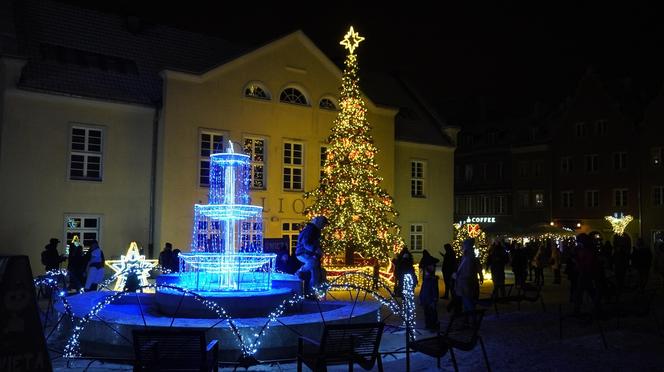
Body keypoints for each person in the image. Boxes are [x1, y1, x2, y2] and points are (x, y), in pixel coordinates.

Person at [295, 216, 328, 291]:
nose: (323, 226)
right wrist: (316, 250)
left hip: (308, 253)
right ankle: (299, 272)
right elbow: (305, 242)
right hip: (303, 252)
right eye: (323, 224)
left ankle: (312, 291)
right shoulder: (311, 229)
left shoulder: (315, 230)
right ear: (318, 222)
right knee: (313, 263)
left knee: (315, 272)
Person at [455, 238, 483, 312]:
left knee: (468, 302)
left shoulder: (467, 258)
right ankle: (469, 317)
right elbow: (478, 268)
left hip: (466, 284)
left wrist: (457, 276)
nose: (462, 247)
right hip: (469, 283)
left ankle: (470, 318)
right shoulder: (470, 256)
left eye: (463, 245)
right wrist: (481, 276)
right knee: (468, 302)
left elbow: (466, 271)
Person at [418, 251, 440, 330]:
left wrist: (434, 299)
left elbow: (434, 290)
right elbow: (423, 289)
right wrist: (421, 297)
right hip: (426, 300)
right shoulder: (427, 279)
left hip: (430, 300)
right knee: (427, 313)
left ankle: (433, 325)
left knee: (432, 313)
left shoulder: (432, 280)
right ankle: (428, 325)